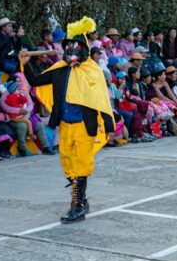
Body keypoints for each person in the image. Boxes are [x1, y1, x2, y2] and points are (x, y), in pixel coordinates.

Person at [22, 16, 115, 223]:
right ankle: (81, 198)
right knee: (68, 165)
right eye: (69, 47)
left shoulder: (94, 72)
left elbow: (102, 101)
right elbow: (36, 80)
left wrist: (109, 127)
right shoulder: (60, 70)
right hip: (65, 126)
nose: (72, 51)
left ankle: (77, 205)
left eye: (77, 47)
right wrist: (27, 64)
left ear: (85, 50)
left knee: (81, 166)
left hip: (84, 125)